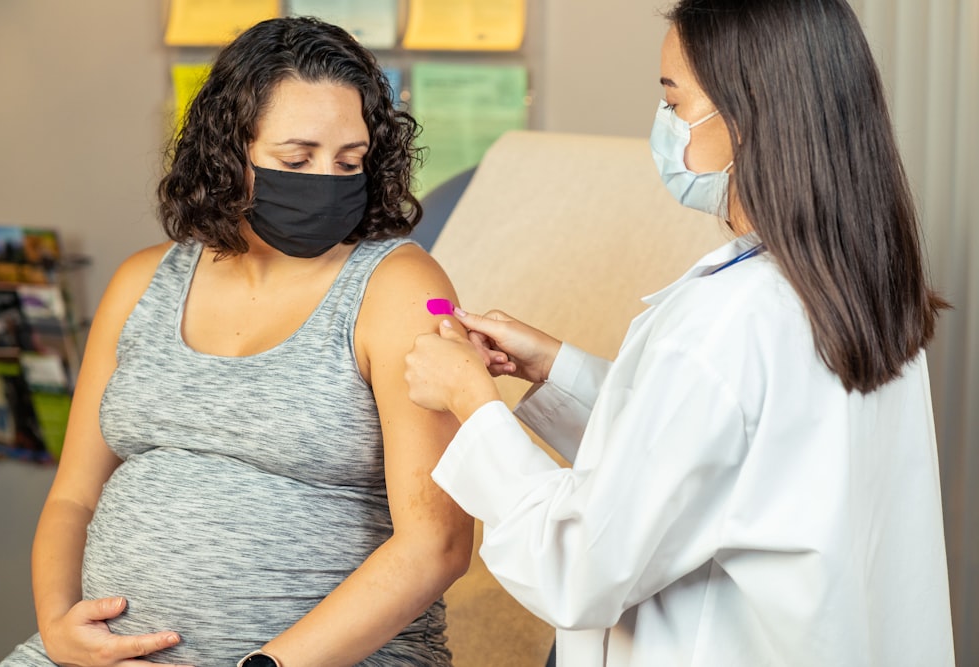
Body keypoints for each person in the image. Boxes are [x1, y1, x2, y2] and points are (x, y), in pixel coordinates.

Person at [403, 0, 956, 665]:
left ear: (751, 115)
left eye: (675, 101)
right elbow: (715, 454)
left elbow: (578, 570)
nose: (663, 125)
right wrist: (555, 367)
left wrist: (472, 405)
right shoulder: (853, 283)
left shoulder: (728, 320)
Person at [1, 16, 473, 667]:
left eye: (350, 161)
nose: (328, 180)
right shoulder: (142, 280)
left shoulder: (400, 286)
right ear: (228, 153)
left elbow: (439, 544)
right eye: (297, 159)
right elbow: (74, 495)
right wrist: (57, 626)